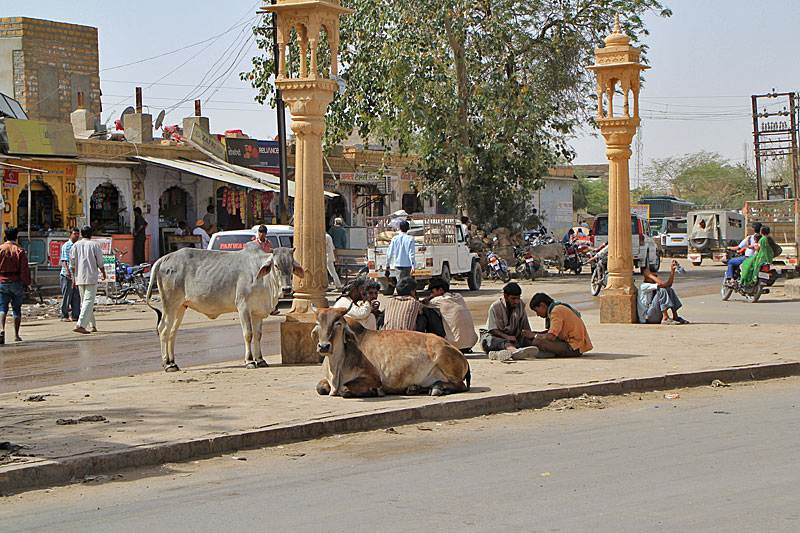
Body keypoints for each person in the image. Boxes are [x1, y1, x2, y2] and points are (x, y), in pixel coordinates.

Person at [479, 282, 539, 361]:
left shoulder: (521, 305)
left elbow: (524, 326)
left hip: (512, 337)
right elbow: (493, 330)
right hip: (492, 338)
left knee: (529, 339)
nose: (516, 301)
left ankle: (500, 354)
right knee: (504, 342)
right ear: (505, 296)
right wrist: (507, 337)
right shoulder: (495, 307)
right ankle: (514, 351)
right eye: (513, 298)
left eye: (518, 298)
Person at [527, 293, 593, 357]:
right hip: (577, 346)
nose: (537, 314)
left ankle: (549, 353)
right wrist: (534, 333)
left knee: (537, 342)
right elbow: (552, 331)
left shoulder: (555, 311)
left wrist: (535, 335)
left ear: (542, 305)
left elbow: (551, 336)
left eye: (537, 311)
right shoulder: (559, 307)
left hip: (574, 347)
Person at [424, 278, 478, 353]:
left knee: (426, 311)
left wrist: (429, 298)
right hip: (471, 343)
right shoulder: (459, 296)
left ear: (440, 290)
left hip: (455, 344)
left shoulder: (437, 300)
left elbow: (421, 304)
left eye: (432, 292)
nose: (431, 294)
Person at [70, 226, 106, 334]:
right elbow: (100, 262)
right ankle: (80, 325)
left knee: (85, 301)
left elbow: (72, 263)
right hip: (91, 276)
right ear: (91, 234)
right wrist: (103, 272)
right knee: (88, 301)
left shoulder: (75, 245)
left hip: (80, 276)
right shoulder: (94, 245)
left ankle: (92, 325)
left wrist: (74, 277)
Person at [381, 277, 445, 336]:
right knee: (424, 316)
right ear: (412, 292)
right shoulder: (414, 303)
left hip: (387, 336)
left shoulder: (389, 301)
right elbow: (425, 308)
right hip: (406, 338)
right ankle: (438, 335)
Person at [0, 227, 31, 344]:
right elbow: (24, 269)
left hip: (2, 281)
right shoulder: (20, 250)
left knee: (2, 308)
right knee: (16, 309)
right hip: (16, 281)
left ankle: (1, 330)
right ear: (16, 236)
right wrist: (27, 284)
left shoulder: (0, 249)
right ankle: (16, 335)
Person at [638, 260, 688, 324]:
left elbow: (668, 285)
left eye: (656, 276)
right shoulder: (643, 286)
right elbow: (662, 284)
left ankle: (675, 316)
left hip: (655, 314)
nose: (654, 278)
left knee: (669, 289)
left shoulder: (653, 285)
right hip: (647, 317)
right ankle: (665, 318)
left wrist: (672, 271)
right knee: (662, 290)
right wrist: (649, 275)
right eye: (653, 277)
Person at [59, 228, 81, 322]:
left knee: (76, 296)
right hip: (67, 275)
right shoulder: (67, 246)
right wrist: (67, 271)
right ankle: (64, 315)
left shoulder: (78, 246)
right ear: (70, 235)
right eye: (75, 234)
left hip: (76, 275)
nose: (76, 235)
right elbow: (64, 260)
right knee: (67, 295)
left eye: (77, 234)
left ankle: (75, 315)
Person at [385, 219, 415, 283]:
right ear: (408, 228)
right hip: (407, 265)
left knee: (400, 284)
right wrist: (413, 266)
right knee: (407, 284)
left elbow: (389, 253)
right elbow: (411, 254)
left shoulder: (394, 239)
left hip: (398, 265)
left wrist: (387, 264)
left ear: (399, 228)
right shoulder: (410, 239)